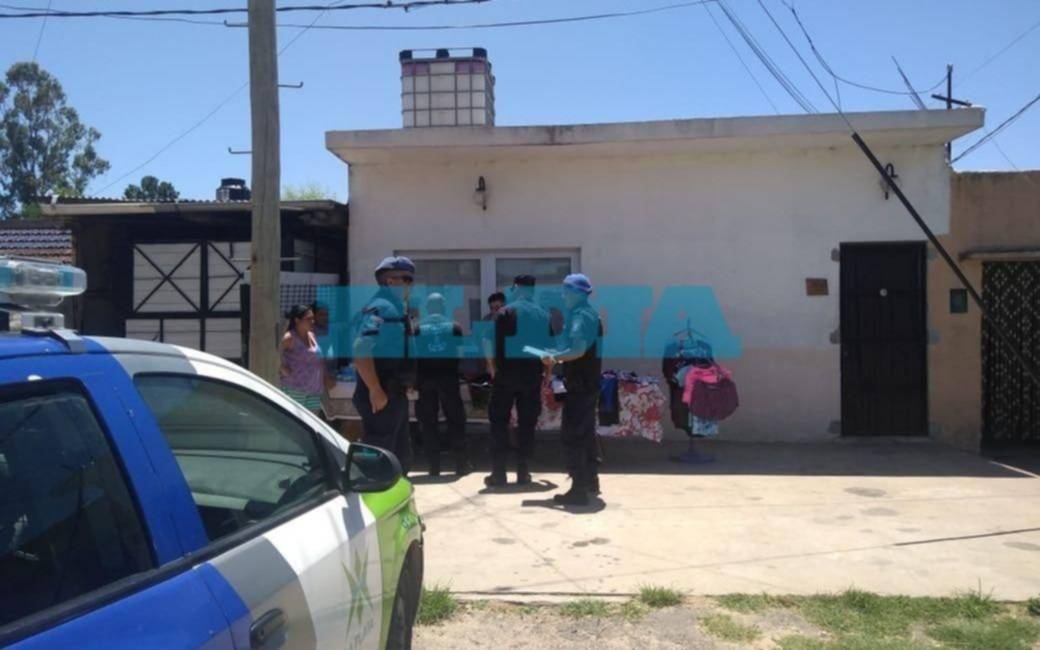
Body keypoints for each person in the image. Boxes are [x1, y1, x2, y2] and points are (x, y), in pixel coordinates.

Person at [484, 275, 552, 487]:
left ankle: (499, 473)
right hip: (531, 376)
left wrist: (492, 368)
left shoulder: (504, 312)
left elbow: (488, 341)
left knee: (499, 422)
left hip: (505, 375)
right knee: (527, 424)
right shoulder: (543, 315)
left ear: (516, 288)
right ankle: (523, 472)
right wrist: (547, 375)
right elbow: (549, 351)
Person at [352, 256, 416, 474]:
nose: (410, 285)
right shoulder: (383, 308)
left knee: (397, 459)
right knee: (380, 463)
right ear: (390, 281)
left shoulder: (394, 308)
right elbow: (361, 348)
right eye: (407, 279)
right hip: (382, 396)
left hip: (392, 393)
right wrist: (375, 389)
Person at [543, 273, 603, 506]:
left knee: (573, 435)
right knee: (586, 434)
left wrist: (555, 358)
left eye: (566, 291)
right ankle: (591, 481)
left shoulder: (580, 316)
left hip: (580, 385)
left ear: (576, 293)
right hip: (588, 383)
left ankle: (578, 489)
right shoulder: (591, 314)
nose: (563, 296)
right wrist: (558, 352)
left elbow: (578, 350)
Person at [414, 293, 471, 476]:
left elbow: (414, 355)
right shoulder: (455, 326)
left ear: (428, 308)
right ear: (444, 307)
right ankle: (461, 464)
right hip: (449, 379)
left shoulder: (418, 328)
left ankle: (434, 467)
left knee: (428, 422)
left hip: (426, 380)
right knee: (455, 420)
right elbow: (460, 354)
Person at [280, 304, 327, 415]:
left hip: (314, 390)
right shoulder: (289, 337)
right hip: (295, 389)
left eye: (313, 319)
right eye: (308, 319)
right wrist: (282, 368)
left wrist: (325, 377)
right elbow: (273, 352)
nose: (312, 322)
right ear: (297, 320)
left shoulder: (312, 336)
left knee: (311, 423)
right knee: (293, 422)